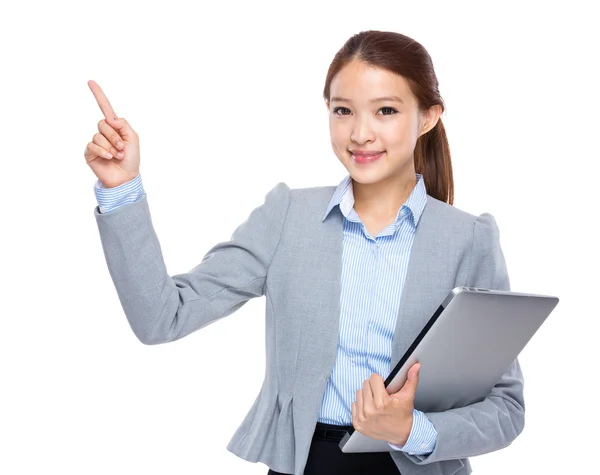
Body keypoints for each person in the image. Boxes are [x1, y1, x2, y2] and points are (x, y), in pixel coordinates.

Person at [85, 30, 524, 475]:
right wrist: (122, 190)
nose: (360, 133)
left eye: (386, 111)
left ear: (428, 117)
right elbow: (163, 316)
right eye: (343, 111)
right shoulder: (288, 217)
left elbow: (506, 408)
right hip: (305, 464)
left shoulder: (469, 239)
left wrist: (411, 430)